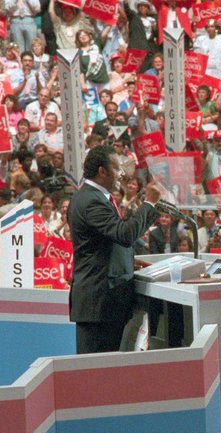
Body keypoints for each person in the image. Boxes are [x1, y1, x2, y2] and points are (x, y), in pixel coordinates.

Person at [67, 145, 161, 354]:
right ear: (102, 171)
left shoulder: (94, 197)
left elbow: (102, 243)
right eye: (116, 168)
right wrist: (149, 204)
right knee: (96, 374)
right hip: (98, 303)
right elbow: (125, 234)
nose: (121, 174)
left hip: (104, 302)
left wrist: (127, 261)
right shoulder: (91, 200)